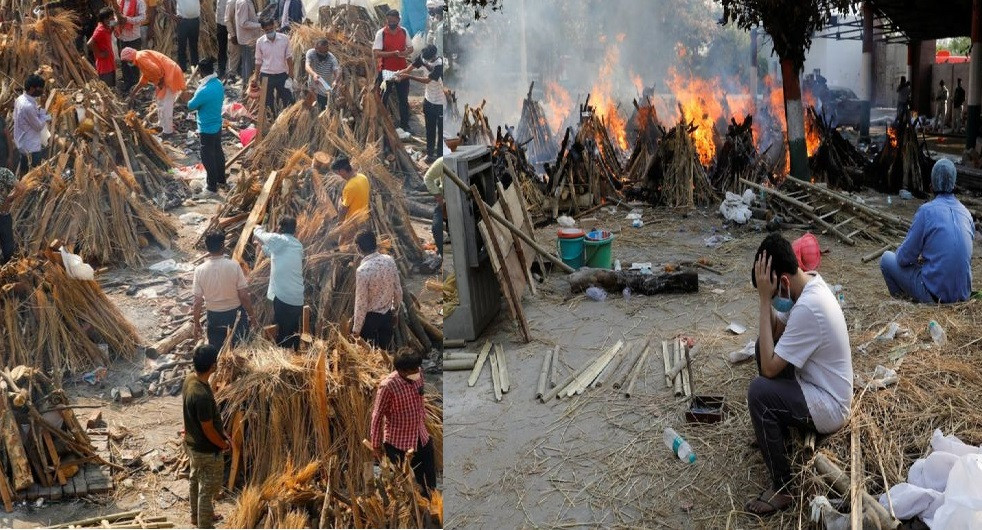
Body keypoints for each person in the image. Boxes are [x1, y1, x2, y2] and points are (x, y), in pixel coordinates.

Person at [745, 233, 852, 516]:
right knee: (761, 345)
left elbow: (769, 368)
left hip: (830, 405)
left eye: (771, 290)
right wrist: (768, 298)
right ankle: (773, 432)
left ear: (782, 283)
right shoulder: (807, 284)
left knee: (759, 393)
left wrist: (763, 301)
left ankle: (782, 488)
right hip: (815, 384)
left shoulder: (809, 307)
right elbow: (774, 334)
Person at [880, 159, 973, 304]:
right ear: (954, 185)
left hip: (935, 296)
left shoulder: (926, 211)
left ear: (931, 186)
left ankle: (902, 305)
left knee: (886, 259)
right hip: (962, 296)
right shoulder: (966, 213)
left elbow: (903, 259)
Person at [370, 351, 435, 496]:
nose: (417, 372)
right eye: (413, 370)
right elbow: (377, 416)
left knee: (429, 482)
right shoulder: (387, 387)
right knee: (406, 487)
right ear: (402, 371)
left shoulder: (418, 375)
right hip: (399, 444)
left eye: (418, 368)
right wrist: (376, 445)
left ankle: (432, 509)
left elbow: (419, 398)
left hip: (421, 437)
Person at [182, 344, 230, 529]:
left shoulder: (190, 380)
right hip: (206, 450)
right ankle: (205, 525)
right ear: (212, 366)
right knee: (207, 490)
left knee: (195, 479)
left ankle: (197, 517)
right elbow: (208, 429)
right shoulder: (201, 395)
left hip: (192, 445)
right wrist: (223, 445)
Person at [192, 229, 257, 348]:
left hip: (214, 317)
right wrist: (252, 316)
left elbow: (197, 302)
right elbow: (243, 296)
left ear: (207, 248)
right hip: (235, 315)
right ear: (223, 246)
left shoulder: (199, 270)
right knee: (240, 350)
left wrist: (196, 324)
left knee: (218, 351)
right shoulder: (234, 266)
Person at [252, 217, 304, 349]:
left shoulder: (279, 239)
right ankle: (295, 354)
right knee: (293, 331)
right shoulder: (297, 245)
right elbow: (275, 254)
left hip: (283, 297)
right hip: (297, 297)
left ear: (280, 228)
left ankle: (283, 358)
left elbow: (260, 234)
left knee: (281, 331)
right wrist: (261, 246)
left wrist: (257, 227)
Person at [352, 229, 402, 350]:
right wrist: (395, 310)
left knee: (370, 358)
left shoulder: (363, 271)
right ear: (375, 243)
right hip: (387, 316)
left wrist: (356, 329)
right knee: (385, 353)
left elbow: (361, 303)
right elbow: (398, 290)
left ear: (358, 248)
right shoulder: (389, 260)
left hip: (371, 321)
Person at [182, 57, 226, 195]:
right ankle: (221, 179)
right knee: (218, 152)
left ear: (200, 72)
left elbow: (191, 106)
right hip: (217, 124)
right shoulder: (218, 83)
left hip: (206, 128)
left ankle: (211, 187)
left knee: (208, 157)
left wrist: (186, 97)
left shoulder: (204, 90)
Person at [121, 47, 186, 138]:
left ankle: (168, 132)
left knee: (166, 105)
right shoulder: (140, 58)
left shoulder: (140, 57)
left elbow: (155, 69)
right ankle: (162, 126)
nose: (127, 63)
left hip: (170, 74)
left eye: (126, 60)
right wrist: (133, 93)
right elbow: (144, 79)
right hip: (166, 75)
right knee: (160, 102)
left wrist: (160, 82)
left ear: (129, 57)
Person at [398, 44, 444, 163]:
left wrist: (408, 77)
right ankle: (430, 154)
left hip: (440, 102)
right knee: (429, 129)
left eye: (428, 60)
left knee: (441, 131)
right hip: (428, 100)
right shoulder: (423, 57)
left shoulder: (439, 64)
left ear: (434, 56)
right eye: (424, 59)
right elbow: (409, 68)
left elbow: (427, 80)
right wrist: (398, 74)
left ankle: (440, 157)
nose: (425, 61)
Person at [373, 9, 413, 132]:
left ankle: (404, 125)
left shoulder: (404, 32)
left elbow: (411, 48)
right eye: (389, 21)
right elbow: (376, 53)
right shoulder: (381, 33)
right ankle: (382, 125)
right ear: (386, 20)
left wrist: (405, 52)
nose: (391, 23)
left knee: (403, 100)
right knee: (383, 99)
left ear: (398, 20)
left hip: (401, 70)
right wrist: (392, 54)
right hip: (386, 71)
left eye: (394, 21)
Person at [253, 18, 293, 112]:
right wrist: (256, 77)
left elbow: (289, 57)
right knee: (268, 103)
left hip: (282, 75)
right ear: (263, 30)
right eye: (267, 30)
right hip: (266, 76)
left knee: (289, 100)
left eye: (271, 29)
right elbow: (258, 61)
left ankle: (289, 121)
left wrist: (291, 74)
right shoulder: (260, 42)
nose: (270, 31)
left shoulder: (284, 39)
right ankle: (272, 121)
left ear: (274, 26)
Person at [13, 75, 51, 175]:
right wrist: (45, 114)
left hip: (23, 143)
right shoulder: (28, 106)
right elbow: (38, 126)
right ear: (31, 88)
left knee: (24, 171)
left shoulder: (20, 99)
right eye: (40, 88)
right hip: (31, 147)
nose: (42, 90)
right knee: (34, 175)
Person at [229, 0, 261, 91]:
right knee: (249, 67)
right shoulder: (243, 3)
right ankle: (247, 90)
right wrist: (259, 25)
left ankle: (246, 88)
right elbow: (243, 23)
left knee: (247, 66)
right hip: (248, 40)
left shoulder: (247, 2)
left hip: (248, 39)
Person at [115, 0, 145, 92]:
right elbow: (116, 16)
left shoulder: (140, 2)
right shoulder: (119, 1)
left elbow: (142, 17)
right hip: (122, 37)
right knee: (124, 63)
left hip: (134, 38)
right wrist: (114, 23)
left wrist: (127, 19)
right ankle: (127, 84)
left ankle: (135, 86)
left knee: (134, 63)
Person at [305, 38, 340, 111]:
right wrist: (314, 74)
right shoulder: (311, 53)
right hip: (313, 89)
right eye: (321, 51)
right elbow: (307, 66)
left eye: (325, 52)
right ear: (316, 48)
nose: (323, 54)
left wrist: (336, 81)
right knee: (310, 109)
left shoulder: (331, 58)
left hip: (324, 91)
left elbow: (337, 71)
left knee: (322, 110)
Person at [333, 157, 370, 222]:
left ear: (342, 171)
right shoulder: (363, 177)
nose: (339, 176)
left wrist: (339, 224)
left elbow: (343, 210)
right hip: (364, 218)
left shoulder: (349, 187)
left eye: (337, 173)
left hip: (353, 222)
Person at [87, 8, 117, 88]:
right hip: (104, 66)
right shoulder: (100, 30)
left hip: (110, 62)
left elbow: (110, 29)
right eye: (111, 18)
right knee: (108, 87)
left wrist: (113, 25)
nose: (113, 19)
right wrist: (99, 54)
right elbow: (90, 43)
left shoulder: (106, 27)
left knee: (112, 86)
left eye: (113, 17)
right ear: (105, 20)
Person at [168, 0, 200, 72]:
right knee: (182, 46)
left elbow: (201, 1)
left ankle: (195, 67)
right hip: (182, 21)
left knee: (194, 45)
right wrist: (172, 15)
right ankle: (182, 69)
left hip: (195, 20)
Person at [0, 168, 23, 265]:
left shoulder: (4, 173)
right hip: (3, 214)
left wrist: (9, 199)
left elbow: (21, 188)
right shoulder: (4, 172)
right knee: (7, 245)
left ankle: (8, 271)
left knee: (7, 246)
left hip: (3, 214)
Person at [423, 156, 444, 257]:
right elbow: (428, 178)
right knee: (436, 228)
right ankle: (442, 253)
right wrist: (438, 197)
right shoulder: (441, 162)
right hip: (444, 200)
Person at [215, 0, 230, 78]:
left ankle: (233, 71)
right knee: (222, 48)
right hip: (220, 23)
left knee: (233, 49)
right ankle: (221, 70)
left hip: (232, 23)